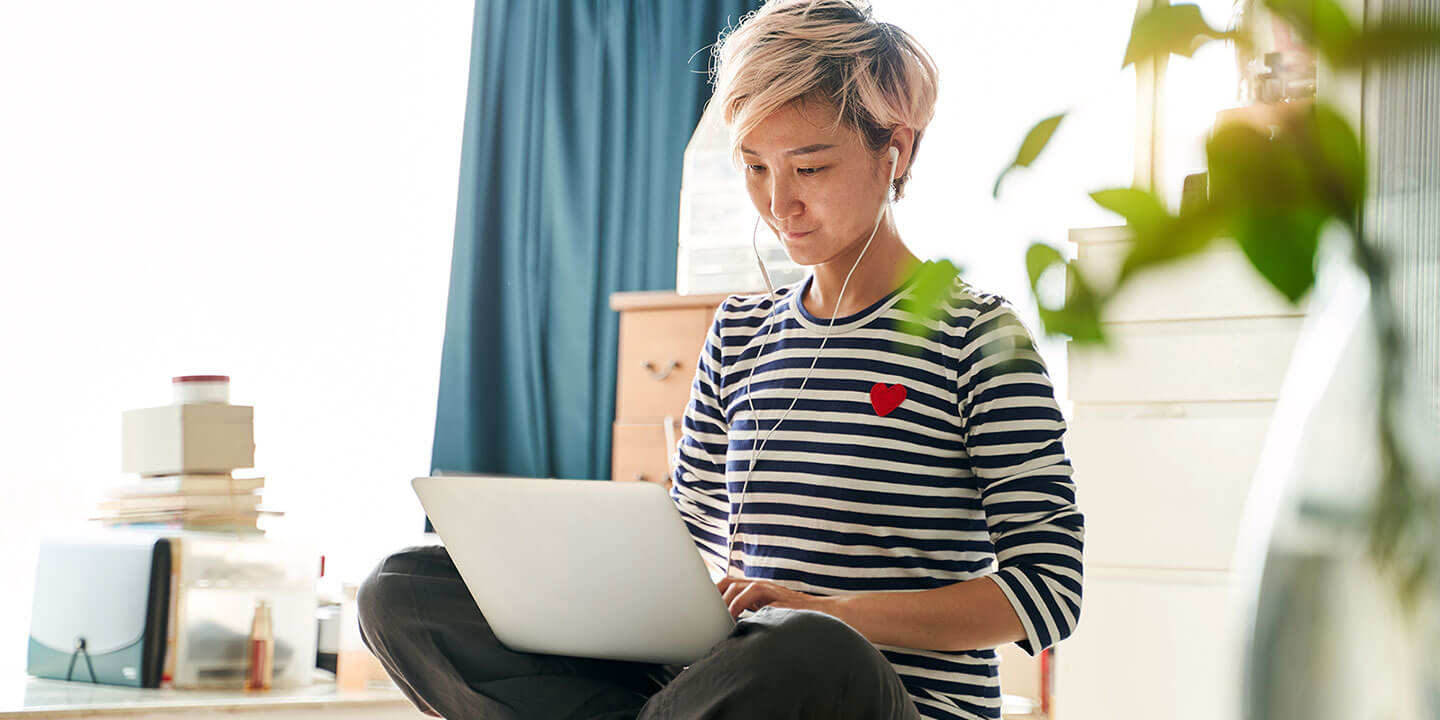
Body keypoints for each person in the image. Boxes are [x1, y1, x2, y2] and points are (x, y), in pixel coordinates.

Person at [356, 1, 1084, 719]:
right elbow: (686, 536)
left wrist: (831, 612)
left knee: (807, 648)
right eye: (754, 167)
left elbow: (1050, 589)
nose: (778, 203)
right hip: (733, 682)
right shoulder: (740, 332)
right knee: (404, 589)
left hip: (859, 691)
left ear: (897, 150)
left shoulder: (979, 337)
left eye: (810, 167)